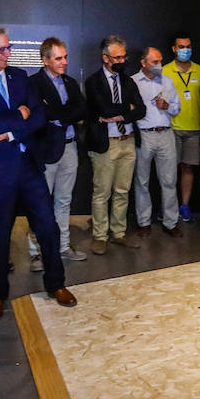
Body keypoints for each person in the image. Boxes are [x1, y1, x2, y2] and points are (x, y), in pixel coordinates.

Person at [0, 25, 77, 321]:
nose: (8, 53)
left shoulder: (19, 77)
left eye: (9, 47)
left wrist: (10, 131)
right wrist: (18, 116)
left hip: (27, 166)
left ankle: (56, 284)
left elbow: (38, 117)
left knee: (47, 226)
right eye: (2, 49)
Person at [27, 37, 88, 271]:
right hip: (46, 151)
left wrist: (60, 116)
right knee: (40, 203)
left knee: (64, 201)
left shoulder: (71, 83)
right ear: (45, 60)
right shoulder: (33, 84)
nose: (64, 62)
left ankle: (62, 246)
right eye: (59, 58)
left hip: (70, 147)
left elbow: (81, 108)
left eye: (65, 57)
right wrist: (65, 114)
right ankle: (37, 252)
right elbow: (42, 113)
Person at [84, 35, 147, 255]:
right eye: (117, 57)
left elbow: (141, 110)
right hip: (105, 144)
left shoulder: (128, 81)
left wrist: (119, 116)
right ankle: (100, 235)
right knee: (102, 192)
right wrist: (124, 110)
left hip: (127, 141)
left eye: (124, 56)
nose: (122, 60)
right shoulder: (93, 82)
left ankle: (118, 232)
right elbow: (103, 110)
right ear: (105, 58)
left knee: (123, 190)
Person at [131, 46, 182, 238]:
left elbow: (176, 109)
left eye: (160, 61)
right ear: (143, 63)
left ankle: (170, 222)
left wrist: (166, 105)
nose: (159, 65)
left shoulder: (167, 81)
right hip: (143, 135)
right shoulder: (133, 82)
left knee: (169, 180)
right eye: (155, 62)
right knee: (142, 180)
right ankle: (143, 222)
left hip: (166, 134)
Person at [162, 32, 200, 223]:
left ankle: (185, 205)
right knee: (169, 170)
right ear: (174, 49)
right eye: (181, 47)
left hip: (194, 128)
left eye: (188, 46)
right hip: (171, 127)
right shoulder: (165, 71)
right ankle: (168, 208)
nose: (185, 50)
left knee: (188, 168)